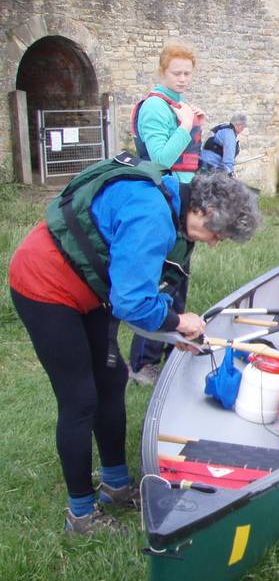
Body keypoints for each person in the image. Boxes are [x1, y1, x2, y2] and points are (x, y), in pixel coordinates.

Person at [8, 161, 261, 536]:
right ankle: (81, 515)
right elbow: (131, 303)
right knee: (80, 399)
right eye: (216, 234)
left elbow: (134, 294)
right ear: (204, 210)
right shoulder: (153, 216)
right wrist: (179, 321)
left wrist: (176, 336)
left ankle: (116, 486)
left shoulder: (175, 198)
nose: (213, 242)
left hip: (90, 288)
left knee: (110, 381)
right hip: (44, 284)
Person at [128, 42, 206, 385]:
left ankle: (172, 350)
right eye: (177, 73)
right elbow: (160, 159)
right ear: (163, 72)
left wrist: (191, 121)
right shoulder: (155, 108)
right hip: (161, 205)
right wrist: (186, 125)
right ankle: (142, 364)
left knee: (178, 284)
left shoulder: (178, 106)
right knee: (161, 284)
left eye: (188, 73)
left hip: (181, 206)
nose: (183, 79)